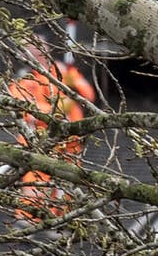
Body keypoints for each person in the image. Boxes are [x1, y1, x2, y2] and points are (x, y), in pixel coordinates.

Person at [8, 49, 98, 221]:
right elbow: (23, 108)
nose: (38, 55)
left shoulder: (62, 71)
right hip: (39, 143)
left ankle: (66, 221)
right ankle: (30, 220)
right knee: (36, 182)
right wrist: (54, 111)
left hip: (70, 142)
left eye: (39, 49)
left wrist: (75, 84)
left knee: (69, 182)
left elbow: (88, 95)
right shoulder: (24, 79)